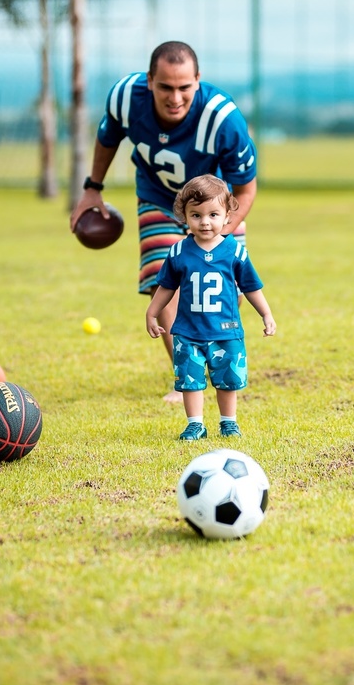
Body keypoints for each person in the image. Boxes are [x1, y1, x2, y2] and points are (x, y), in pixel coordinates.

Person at [71, 40, 258, 404]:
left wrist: (216, 231)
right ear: (149, 80)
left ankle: (219, 366)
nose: (175, 97)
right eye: (166, 87)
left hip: (215, 210)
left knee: (219, 294)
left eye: (185, 87)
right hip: (158, 197)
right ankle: (186, 378)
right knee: (167, 276)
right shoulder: (126, 98)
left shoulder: (224, 119)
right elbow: (107, 138)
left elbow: (246, 191)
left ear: (198, 81)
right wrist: (93, 188)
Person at [146, 175, 275, 440]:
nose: (205, 222)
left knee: (228, 379)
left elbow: (250, 286)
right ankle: (195, 424)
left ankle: (229, 422)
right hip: (187, 332)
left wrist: (266, 313)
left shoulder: (234, 251)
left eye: (213, 214)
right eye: (196, 215)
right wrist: (152, 312)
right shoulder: (178, 251)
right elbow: (167, 287)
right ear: (184, 216)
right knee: (189, 380)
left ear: (228, 215)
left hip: (226, 331)